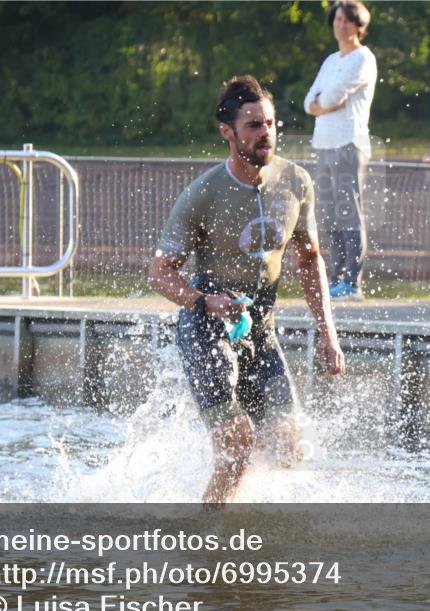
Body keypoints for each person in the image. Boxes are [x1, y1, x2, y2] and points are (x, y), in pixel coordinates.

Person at [149, 75, 346, 505]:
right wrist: (203, 300)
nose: (266, 134)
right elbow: (159, 273)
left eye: (271, 124)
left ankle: (235, 507)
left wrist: (328, 334)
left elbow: (310, 261)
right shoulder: (203, 194)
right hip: (206, 330)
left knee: (288, 445)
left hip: (261, 332)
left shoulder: (296, 183)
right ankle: (208, 534)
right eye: (254, 125)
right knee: (237, 444)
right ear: (228, 132)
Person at [304, 0, 377, 301]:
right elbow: (311, 101)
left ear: (359, 25)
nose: (340, 25)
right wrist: (325, 104)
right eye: (336, 20)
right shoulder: (331, 60)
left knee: (349, 212)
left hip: (349, 143)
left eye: (347, 20)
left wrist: (327, 102)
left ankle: (352, 281)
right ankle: (335, 279)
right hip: (324, 144)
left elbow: (334, 95)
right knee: (331, 214)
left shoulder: (363, 58)